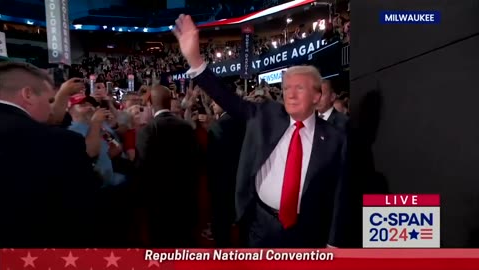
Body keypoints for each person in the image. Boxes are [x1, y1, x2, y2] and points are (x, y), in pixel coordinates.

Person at [173, 15, 352, 248]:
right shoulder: (266, 115)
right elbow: (226, 98)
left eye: (299, 88)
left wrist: (334, 244)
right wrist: (195, 60)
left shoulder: (336, 139)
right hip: (260, 226)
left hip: (308, 233)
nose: (290, 93)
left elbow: (341, 196)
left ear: (317, 96)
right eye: (287, 87)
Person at [0, 62, 99, 247]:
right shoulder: (61, 142)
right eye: (50, 101)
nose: (51, 109)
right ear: (27, 95)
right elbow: (81, 213)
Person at [135, 84, 201, 247]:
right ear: (170, 101)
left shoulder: (148, 130)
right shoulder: (186, 126)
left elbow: (142, 169)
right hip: (186, 198)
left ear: (149, 102)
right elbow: (197, 161)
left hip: (159, 203)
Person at [207, 100, 246, 247]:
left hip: (222, 181)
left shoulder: (219, 125)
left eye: (215, 102)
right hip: (240, 178)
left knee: (222, 223)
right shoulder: (242, 120)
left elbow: (213, 158)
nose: (212, 105)